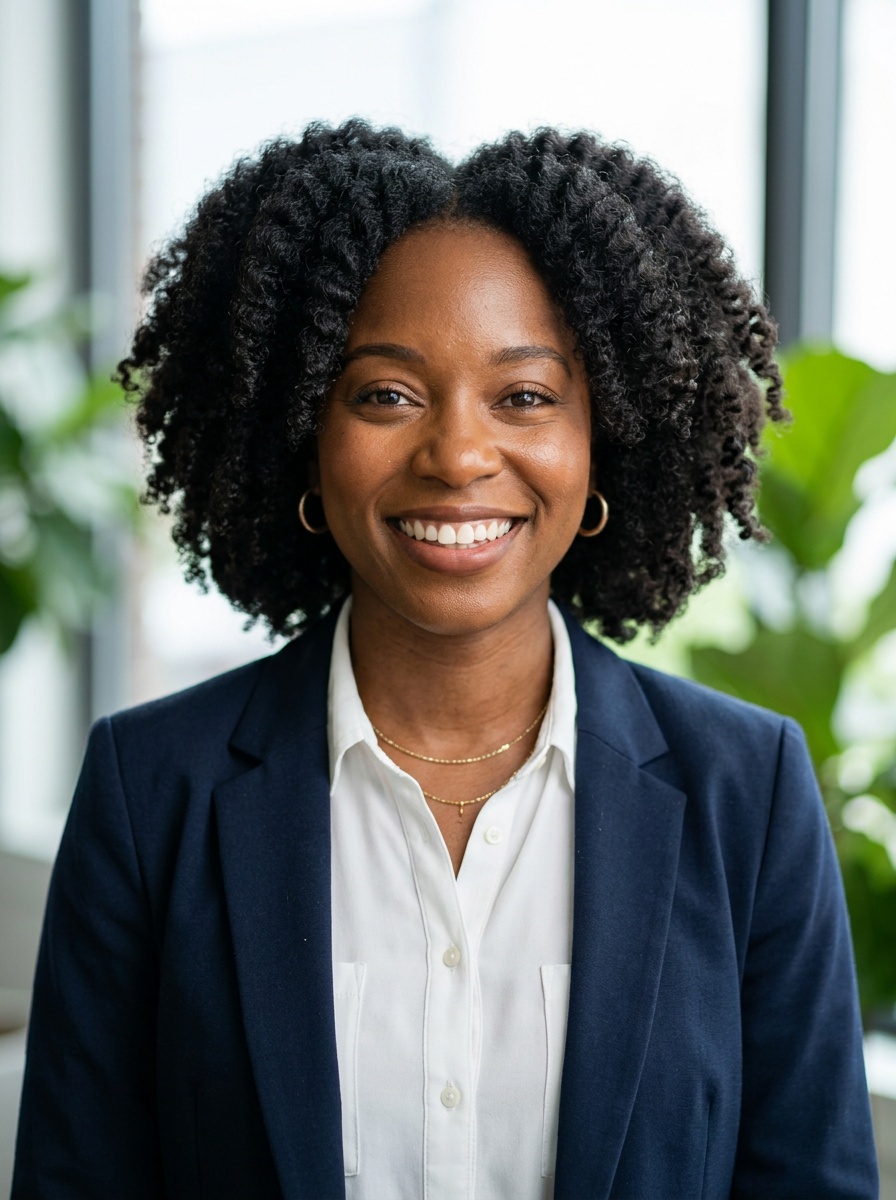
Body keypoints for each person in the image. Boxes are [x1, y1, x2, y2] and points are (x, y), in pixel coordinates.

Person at [13, 121, 878, 1199]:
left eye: (524, 396)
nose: (459, 455)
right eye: (385, 394)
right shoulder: (154, 792)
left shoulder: (744, 795)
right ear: (302, 432)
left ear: (601, 436)